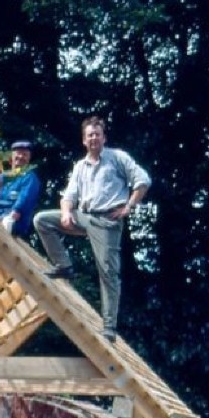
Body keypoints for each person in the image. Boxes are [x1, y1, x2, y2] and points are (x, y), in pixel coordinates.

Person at [33, 116, 151, 341]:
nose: (94, 138)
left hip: (107, 220)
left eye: (97, 134)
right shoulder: (80, 166)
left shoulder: (117, 157)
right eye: (90, 135)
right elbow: (68, 196)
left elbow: (143, 180)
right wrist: (66, 213)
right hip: (84, 216)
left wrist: (129, 206)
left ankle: (109, 327)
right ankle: (64, 265)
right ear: (84, 140)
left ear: (104, 138)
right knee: (42, 220)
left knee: (108, 270)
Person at [0, 140, 41, 238]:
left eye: (25, 154)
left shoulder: (30, 178)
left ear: (29, 158)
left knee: (6, 223)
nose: (20, 157)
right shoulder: (3, 176)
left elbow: (25, 198)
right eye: (18, 153)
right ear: (12, 156)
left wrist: (15, 211)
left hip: (14, 220)